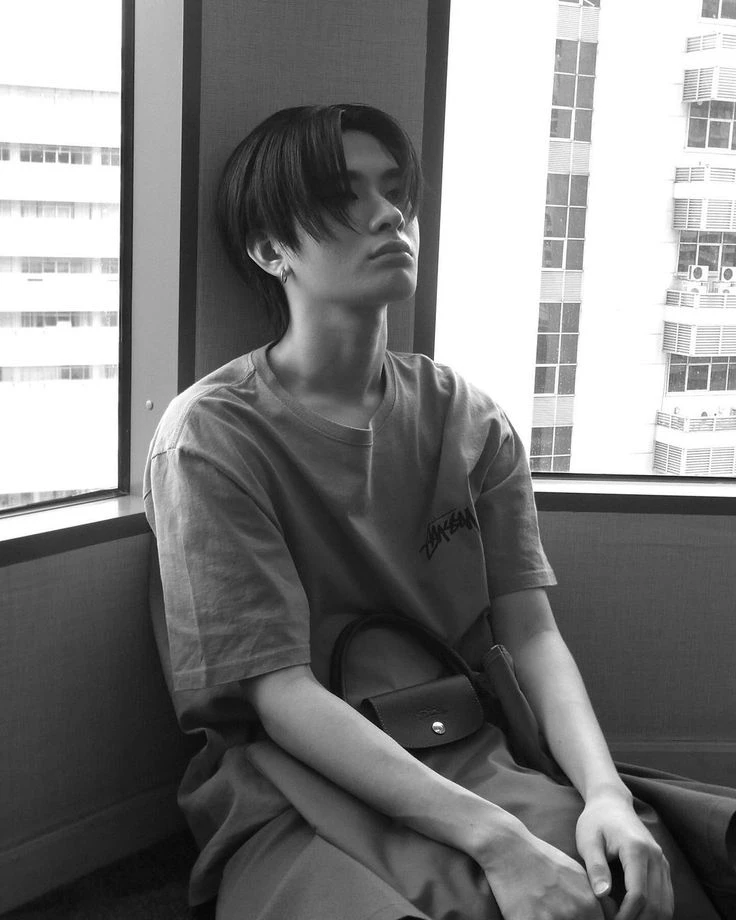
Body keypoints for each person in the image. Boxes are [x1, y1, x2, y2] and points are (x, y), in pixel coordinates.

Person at [144, 104, 726, 920]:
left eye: (396, 191)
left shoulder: (467, 418)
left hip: (469, 744)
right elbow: (279, 694)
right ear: (271, 249)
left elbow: (531, 633)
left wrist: (605, 794)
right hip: (291, 781)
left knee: (630, 882)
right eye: (344, 195)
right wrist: (499, 844)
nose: (389, 214)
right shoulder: (211, 437)